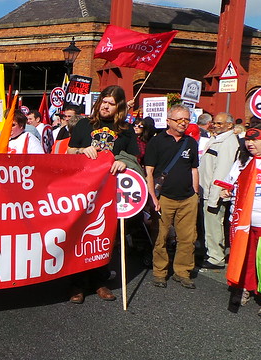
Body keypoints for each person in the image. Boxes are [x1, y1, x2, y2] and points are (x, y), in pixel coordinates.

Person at [64, 85, 138, 303]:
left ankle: (99, 281)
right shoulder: (83, 124)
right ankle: (76, 284)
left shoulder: (126, 130)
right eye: (104, 101)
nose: (106, 106)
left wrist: (123, 162)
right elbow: (68, 153)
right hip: (83, 191)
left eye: (111, 103)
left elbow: (133, 158)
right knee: (79, 236)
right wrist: (80, 151)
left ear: (119, 107)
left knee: (104, 237)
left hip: (109, 193)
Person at [223, 123, 261, 318]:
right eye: (247, 139)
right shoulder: (241, 162)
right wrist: (225, 189)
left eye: (254, 139)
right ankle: (245, 287)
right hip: (244, 221)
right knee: (245, 257)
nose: (249, 143)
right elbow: (229, 182)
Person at [145, 104, 200, 289]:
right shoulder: (157, 141)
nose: (184, 123)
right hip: (164, 198)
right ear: (168, 121)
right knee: (161, 237)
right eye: (179, 119)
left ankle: (182, 272)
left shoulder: (191, 143)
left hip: (187, 198)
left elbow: (194, 169)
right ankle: (160, 272)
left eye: (186, 119)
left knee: (188, 237)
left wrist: (195, 194)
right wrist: (152, 197)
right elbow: (149, 172)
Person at [199, 112, 239, 269]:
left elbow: (222, 172)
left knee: (214, 225)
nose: (215, 126)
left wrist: (214, 198)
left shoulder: (228, 143)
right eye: (214, 123)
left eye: (219, 124)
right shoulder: (218, 138)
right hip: (207, 191)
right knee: (209, 225)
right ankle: (211, 252)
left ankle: (216, 258)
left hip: (213, 193)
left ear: (230, 125)